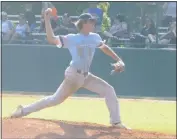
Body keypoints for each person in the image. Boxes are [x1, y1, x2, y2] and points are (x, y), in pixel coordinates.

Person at [10, 9, 129, 129]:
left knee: (109, 90)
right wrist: (46, 19)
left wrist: (119, 60)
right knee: (54, 100)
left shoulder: (95, 37)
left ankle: (116, 122)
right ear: (83, 23)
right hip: (73, 75)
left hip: (86, 76)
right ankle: (23, 110)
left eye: (93, 21)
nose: (93, 23)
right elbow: (51, 39)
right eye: (91, 21)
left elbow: (104, 47)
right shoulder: (72, 38)